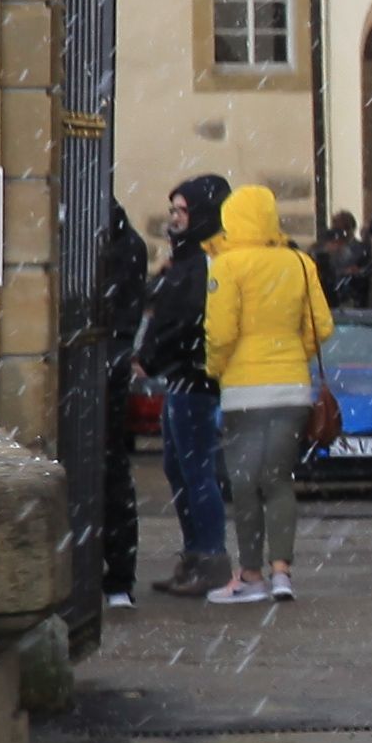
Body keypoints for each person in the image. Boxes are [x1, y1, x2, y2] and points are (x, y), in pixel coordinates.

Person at [200, 183, 333, 605]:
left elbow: (221, 332)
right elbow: (321, 326)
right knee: (277, 481)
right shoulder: (299, 262)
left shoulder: (227, 264)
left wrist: (215, 368)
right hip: (292, 388)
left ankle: (250, 574)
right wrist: (295, 354)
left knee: (244, 484)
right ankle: (282, 573)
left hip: (245, 390)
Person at [140, 174, 232, 602]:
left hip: (195, 377)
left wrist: (151, 358)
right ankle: (196, 553)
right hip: (180, 376)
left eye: (181, 211)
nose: (174, 219)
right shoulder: (187, 260)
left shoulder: (206, 262)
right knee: (179, 469)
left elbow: (185, 320)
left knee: (197, 473)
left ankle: (209, 557)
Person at [71, 198, 154, 613]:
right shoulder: (125, 239)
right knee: (109, 468)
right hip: (107, 358)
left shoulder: (96, 237)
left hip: (97, 359)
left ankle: (101, 573)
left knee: (100, 467)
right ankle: (114, 575)